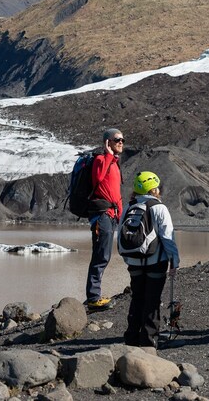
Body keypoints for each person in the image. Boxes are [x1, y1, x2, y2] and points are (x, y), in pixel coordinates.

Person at [120, 171, 180, 348]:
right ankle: (148, 342)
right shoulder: (158, 207)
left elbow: (121, 238)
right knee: (152, 301)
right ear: (154, 188)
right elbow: (168, 238)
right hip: (155, 262)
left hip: (133, 262)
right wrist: (174, 262)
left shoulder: (128, 207)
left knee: (137, 298)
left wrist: (129, 260)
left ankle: (131, 339)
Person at [85, 128, 125, 311]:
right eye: (117, 139)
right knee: (101, 256)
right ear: (108, 142)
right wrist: (108, 155)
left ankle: (94, 296)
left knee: (104, 255)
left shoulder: (114, 164)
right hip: (102, 216)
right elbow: (98, 179)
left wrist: (120, 215)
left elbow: (115, 194)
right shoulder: (101, 160)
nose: (121, 142)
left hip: (111, 216)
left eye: (123, 140)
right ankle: (93, 298)